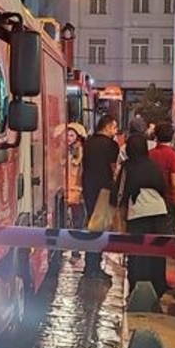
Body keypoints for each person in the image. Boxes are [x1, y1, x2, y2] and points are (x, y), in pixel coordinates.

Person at [112, 134, 169, 298]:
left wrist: (120, 216)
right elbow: (163, 188)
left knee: (137, 253)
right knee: (157, 253)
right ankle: (157, 288)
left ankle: (137, 288)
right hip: (159, 212)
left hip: (138, 213)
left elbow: (120, 193)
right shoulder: (154, 165)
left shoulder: (127, 167)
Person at [81, 114, 119, 279]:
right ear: (108, 126)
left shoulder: (88, 143)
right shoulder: (111, 145)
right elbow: (113, 169)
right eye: (115, 127)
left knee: (91, 226)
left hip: (88, 188)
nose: (115, 131)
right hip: (104, 190)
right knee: (100, 228)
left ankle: (90, 264)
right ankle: (94, 267)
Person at [149, 121, 175, 231]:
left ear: (156, 136)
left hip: (149, 202)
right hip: (167, 203)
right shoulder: (173, 156)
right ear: (172, 137)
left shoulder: (149, 154)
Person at [65, 123, 87, 260]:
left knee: (78, 221)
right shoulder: (62, 150)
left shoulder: (81, 152)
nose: (68, 138)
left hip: (76, 192)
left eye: (71, 135)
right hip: (67, 190)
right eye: (67, 135)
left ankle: (75, 249)